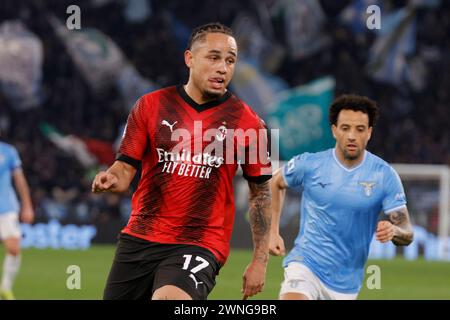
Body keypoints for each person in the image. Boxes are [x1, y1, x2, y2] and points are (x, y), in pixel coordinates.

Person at [92, 22, 272, 300]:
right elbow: (125, 168)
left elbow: (260, 194)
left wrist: (260, 261)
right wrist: (112, 177)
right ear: (189, 58)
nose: (223, 68)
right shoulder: (149, 106)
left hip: (200, 242)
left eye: (230, 60)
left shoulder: (250, 124)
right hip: (139, 237)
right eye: (213, 58)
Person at [269, 94, 414, 300]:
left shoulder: (384, 175)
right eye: (345, 128)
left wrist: (394, 230)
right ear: (334, 131)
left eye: (360, 129)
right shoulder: (311, 164)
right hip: (305, 263)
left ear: (370, 133)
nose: (352, 136)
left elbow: (408, 233)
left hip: (346, 283)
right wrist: (272, 232)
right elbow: (275, 182)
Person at [0, 140, 34, 300]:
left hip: (5, 206)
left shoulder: (8, 151)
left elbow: (19, 179)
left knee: (13, 248)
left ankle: (5, 288)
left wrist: (27, 205)